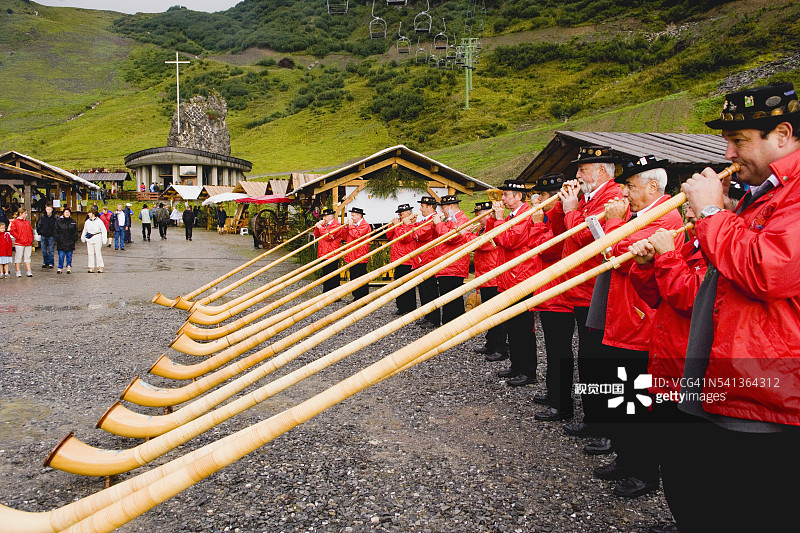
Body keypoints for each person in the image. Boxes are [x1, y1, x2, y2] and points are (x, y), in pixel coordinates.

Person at [637, 82, 800, 533]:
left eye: (739, 140)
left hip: (768, 391)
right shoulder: (764, 192)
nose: (728, 153)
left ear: (783, 134)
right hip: (732, 377)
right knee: (703, 496)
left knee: (752, 509)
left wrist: (712, 214)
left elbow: (768, 271)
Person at [589, 156, 683, 499]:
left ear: (653, 187)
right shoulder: (643, 215)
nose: (625, 193)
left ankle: (643, 471)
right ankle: (627, 458)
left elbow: (621, 254)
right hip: (624, 319)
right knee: (622, 397)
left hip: (640, 324)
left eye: (630, 185)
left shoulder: (666, 217)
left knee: (638, 401)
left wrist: (614, 223)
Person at [548, 146, 625, 449]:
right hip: (580, 288)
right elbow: (561, 233)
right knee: (588, 358)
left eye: (583, 169)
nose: (578, 175)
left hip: (593, 287)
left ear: (601, 170)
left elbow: (584, 236)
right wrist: (563, 206)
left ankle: (603, 421)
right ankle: (594, 416)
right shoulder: (590, 197)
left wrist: (571, 210)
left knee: (598, 359)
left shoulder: (611, 196)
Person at [485, 179, 547, 387]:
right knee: (512, 325)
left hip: (521, 276)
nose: (503, 198)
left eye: (506, 195)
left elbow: (509, 240)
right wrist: (494, 220)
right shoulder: (512, 216)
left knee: (524, 328)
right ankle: (516, 365)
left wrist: (499, 220)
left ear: (519, 196)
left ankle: (528, 371)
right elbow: (494, 237)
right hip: (509, 277)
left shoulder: (526, 215)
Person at [527, 174, 577, 422]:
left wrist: (537, 224)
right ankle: (553, 393)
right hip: (549, 292)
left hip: (559, 295)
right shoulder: (552, 217)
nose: (539, 199)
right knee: (552, 349)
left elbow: (547, 249)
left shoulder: (561, 218)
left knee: (560, 351)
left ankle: (562, 403)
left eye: (544, 195)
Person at [470, 201, 508, 360]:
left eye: (480, 215)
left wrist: (467, 235)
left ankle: (500, 348)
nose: (478, 219)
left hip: (494, 277)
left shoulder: (494, 229)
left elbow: (484, 245)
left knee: (498, 315)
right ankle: (491, 343)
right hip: (484, 276)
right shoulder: (481, 230)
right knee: (488, 314)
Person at [432, 195, 471, 324]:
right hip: (447, 266)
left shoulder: (462, 219)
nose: (441, 210)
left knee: (453, 300)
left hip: (454, 266)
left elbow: (451, 238)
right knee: (447, 298)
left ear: (451, 206)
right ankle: (449, 325)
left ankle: (454, 326)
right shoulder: (450, 220)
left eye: (443, 207)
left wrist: (438, 224)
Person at [403, 196, 440, 328]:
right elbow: (410, 235)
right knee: (423, 290)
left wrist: (409, 224)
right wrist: (413, 224)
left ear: (430, 207)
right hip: (421, 259)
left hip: (429, 258)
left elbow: (419, 235)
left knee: (430, 290)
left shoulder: (433, 219)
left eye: (423, 206)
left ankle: (433, 318)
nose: (420, 209)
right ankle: (427, 315)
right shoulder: (424, 220)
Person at [388, 204, 418, 315]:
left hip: (407, 258)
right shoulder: (399, 224)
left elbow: (405, 238)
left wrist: (397, 226)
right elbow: (389, 236)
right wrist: (392, 225)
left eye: (402, 213)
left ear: (408, 213)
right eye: (399, 213)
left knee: (408, 285)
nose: (400, 215)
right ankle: (401, 307)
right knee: (398, 284)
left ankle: (410, 307)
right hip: (397, 258)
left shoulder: (411, 224)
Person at [313, 207, 344, 293]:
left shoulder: (336, 225)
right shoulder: (324, 225)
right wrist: (317, 227)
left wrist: (320, 227)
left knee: (333, 275)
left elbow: (328, 237)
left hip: (332, 253)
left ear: (331, 216)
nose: (324, 218)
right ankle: (326, 292)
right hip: (324, 253)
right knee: (325, 275)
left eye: (325, 216)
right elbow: (317, 234)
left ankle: (335, 295)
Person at [344, 207, 370, 300]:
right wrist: (346, 227)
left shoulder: (365, 225)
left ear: (359, 216)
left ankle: (362, 297)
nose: (352, 217)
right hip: (352, 255)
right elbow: (344, 237)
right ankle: (356, 297)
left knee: (361, 277)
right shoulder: (353, 226)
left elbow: (357, 236)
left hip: (360, 256)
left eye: (353, 215)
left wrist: (351, 226)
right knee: (353, 277)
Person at [9, 208, 34, 277]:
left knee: (27, 257)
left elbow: (30, 231)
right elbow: (12, 231)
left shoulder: (27, 222)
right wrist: (19, 237)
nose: (26, 215)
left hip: (28, 242)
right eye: (25, 213)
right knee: (18, 257)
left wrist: (31, 238)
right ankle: (18, 271)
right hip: (20, 242)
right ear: (21, 213)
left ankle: (29, 271)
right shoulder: (15, 222)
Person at [81, 208, 108, 273]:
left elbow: (103, 230)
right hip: (89, 238)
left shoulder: (99, 221)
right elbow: (85, 230)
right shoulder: (87, 222)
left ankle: (100, 267)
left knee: (98, 253)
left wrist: (104, 239)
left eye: (89, 213)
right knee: (90, 253)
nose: (88, 214)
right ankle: (91, 267)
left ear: (93, 214)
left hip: (97, 237)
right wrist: (83, 237)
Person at [54, 207, 78, 274]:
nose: (67, 214)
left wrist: (74, 239)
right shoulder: (59, 221)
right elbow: (56, 231)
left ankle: (68, 267)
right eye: (66, 212)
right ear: (63, 213)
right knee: (61, 256)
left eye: (68, 212)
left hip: (70, 241)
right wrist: (58, 239)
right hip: (61, 241)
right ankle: (60, 267)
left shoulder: (73, 222)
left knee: (69, 256)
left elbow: (75, 232)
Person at [36, 204, 57, 269]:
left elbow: (57, 226)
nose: (48, 211)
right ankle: (45, 262)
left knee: (51, 250)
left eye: (50, 209)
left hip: (51, 235)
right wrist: (40, 232)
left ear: (52, 209)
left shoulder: (55, 217)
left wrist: (55, 234)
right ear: (45, 209)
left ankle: (51, 263)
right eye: (47, 209)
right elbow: (38, 224)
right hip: (43, 234)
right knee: (43, 250)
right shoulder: (42, 217)